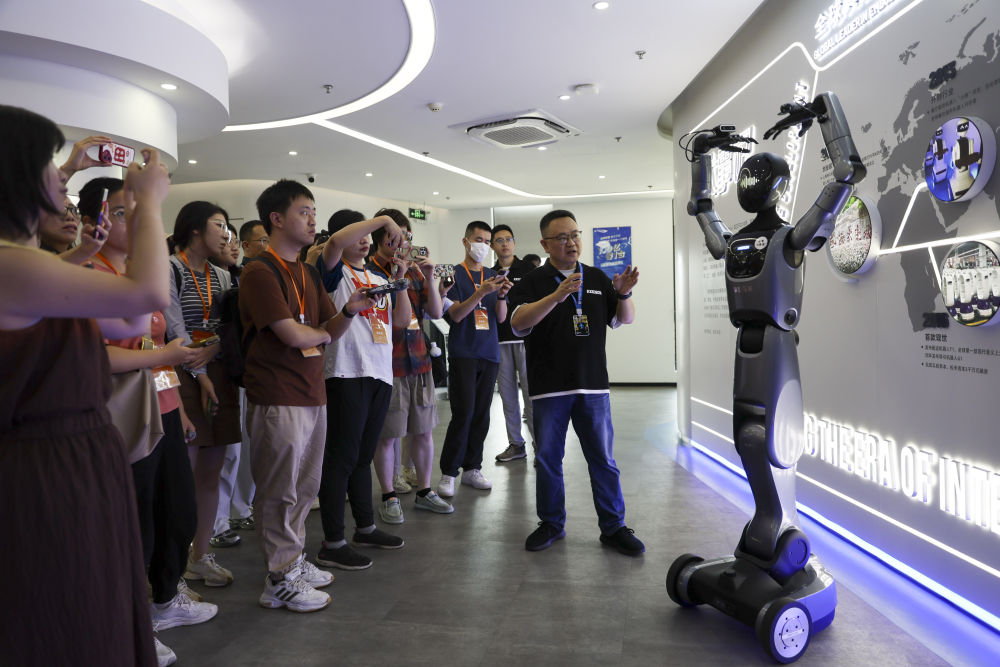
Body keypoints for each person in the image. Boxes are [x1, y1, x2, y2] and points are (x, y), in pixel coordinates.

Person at [0, 104, 170, 666]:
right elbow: (148, 295)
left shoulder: (26, 264)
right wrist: (150, 204)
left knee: (92, 601)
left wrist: (125, 224)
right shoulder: (11, 266)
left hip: (78, 455)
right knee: (69, 611)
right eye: (50, 164)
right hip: (47, 467)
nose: (62, 178)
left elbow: (129, 320)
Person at [81, 177, 217, 655]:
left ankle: (163, 600)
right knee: (134, 521)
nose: (136, 221)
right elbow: (96, 356)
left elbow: (156, 347)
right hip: (120, 415)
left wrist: (178, 407)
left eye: (140, 211)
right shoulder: (86, 275)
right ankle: (130, 623)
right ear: (92, 221)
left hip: (162, 408)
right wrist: (164, 356)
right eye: (122, 213)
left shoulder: (139, 273)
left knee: (176, 512)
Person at [240, 180, 372, 611]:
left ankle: (292, 560)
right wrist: (318, 331)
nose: (313, 219)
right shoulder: (260, 270)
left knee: (304, 485)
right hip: (277, 393)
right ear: (276, 218)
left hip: (312, 392)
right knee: (279, 490)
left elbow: (328, 329)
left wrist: (350, 309)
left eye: (314, 211)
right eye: (304, 211)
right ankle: (278, 579)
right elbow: (292, 334)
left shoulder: (308, 272)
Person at [508, 210, 644, 557]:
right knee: (548, 460)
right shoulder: (533, 281)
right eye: (562, 238)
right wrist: (556, 296)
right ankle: (551, 523)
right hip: (549, 388)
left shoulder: (596, 277)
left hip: (593, 386)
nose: (571, 242)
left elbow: (624, 319)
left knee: (603, 460)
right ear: (545, 244)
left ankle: (614, 527)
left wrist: (624, 294)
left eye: (575, 235)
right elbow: (518, 323)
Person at [313, 209, 409, 570]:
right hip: (344, 371)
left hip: (379, 372)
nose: (365, 240)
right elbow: (336, 242)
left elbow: (401, 321)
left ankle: (365, 527)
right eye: (360, 234)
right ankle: (333, 541)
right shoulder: (333, 271)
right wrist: (383, 220)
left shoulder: (376, 276)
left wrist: (400, 280)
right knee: (340, 459)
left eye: (368, 235)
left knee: (362, 457)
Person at [164, 201, 241, 584]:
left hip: (218, 374)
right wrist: (200, 370)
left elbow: (229, 329)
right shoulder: (170, 268)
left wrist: (213, 353)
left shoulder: (222, 276)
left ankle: (200, 556)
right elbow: (172, 328)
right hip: (181, 376)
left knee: (211, 471)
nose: (226, 234)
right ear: (195, 228)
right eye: (219, 225)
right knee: (183, 474)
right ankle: (171, 568)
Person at [369, 208, 453, 521]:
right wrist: (399, 277)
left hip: (419, 360)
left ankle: (425, 491)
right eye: (398, 236)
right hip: (387, 365)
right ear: (382, 239)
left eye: (408, 236)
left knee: (424, 431)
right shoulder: (371, 272)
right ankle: (388, 495)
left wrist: (429, 276)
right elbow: (396, 321)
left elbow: (436, 312)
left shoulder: (416, 271)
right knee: (388, 435)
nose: (405, 242)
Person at [437, 221, 513, 498]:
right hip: (464, 352)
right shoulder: (452, 275)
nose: (484, 245)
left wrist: (501, 296)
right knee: (463, 413)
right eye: (478, 240)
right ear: (466, 241)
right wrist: (481, 293)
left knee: (481, 414)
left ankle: (472, 468)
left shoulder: (493, 275)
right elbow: (455, 315)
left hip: (489, 352)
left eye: (487, 241)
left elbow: (501, 318)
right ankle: (449, 472)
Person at [209, 221, 255, 547]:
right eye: (227, 239)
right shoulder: (196, 276)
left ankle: (238, 508)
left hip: (240, 371)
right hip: (209, 370)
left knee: (241, 448)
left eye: (235, 240)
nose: (233, 245)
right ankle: (215, 522)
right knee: (220, 452)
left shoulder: (240, 278)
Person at [490, 224, 537, 463]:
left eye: (508, 239)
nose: (505, 244)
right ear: (492, 246)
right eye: (499, 240)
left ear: (514, 243)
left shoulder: (528, 269)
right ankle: (516, 444)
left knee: (531, 395)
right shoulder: (489, 273)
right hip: (499, 341)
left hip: (525, 340)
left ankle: (540, 445)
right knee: (508, 397)